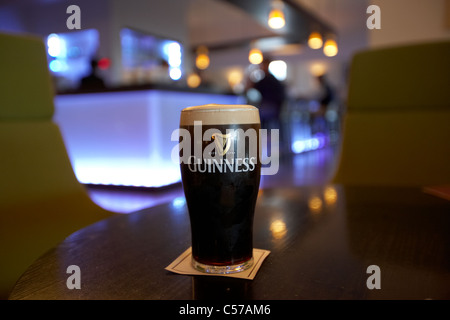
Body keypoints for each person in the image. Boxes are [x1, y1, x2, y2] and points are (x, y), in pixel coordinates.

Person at [248, 57, 286, 130]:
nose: (261, 67)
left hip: (272, 108)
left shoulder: (269, 80)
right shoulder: (269, 79)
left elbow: (251, 87)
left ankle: (263, 136)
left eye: (262, 65)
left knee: (254, 114)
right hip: (273, 108)